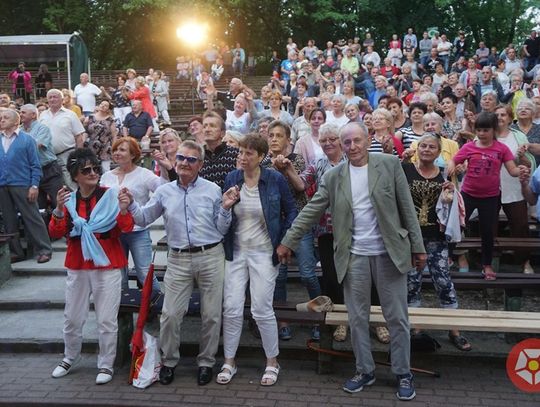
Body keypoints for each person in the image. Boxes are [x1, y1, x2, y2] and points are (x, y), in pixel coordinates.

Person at [277, 121, 426, 401]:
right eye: (347, 142)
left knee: (397, 318)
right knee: (357, 318)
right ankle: (364, 370)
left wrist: (418, 247)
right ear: (341, 146)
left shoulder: (389, 164)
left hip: (388, 254)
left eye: (357, 141)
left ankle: (403, 372)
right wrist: (289, 240)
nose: (352, 147)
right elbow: (311, 210)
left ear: (367, 139)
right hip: (354, 256)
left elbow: (407, 207)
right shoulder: (333, 176)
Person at [124, 140, 232, 386]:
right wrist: (130, 203)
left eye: (191, 159)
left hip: (210, 255)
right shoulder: (164, 191)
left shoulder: (213, 189)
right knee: (170, 314)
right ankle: (169, 361)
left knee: (212, 315)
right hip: (179, 258)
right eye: (181, 158)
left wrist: (226, 209)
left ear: (200, 165)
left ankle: (206, 362)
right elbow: (142, 218)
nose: (184, 163)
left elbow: (222, 228)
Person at [49, 148, 134, 384]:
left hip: (108, 264)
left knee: (107, 319)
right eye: (86, 170)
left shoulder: (110, 196)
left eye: (96, 168)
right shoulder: (68, 200)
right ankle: (69, 357)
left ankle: (106, 364)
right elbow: (55, 232)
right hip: (78, 264)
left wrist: (125, 209)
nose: (93, 173)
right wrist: (57, 209)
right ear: (75, 175)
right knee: (72, 317)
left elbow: (125, 228)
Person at [218, 134, 297, 386]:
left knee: (261, 309)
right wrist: (226, 206)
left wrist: (285, 242)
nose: (242, 157)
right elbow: (222, 219)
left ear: (261, 157)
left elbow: (291, 210)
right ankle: (229, 361)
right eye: (240, 152)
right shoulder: (232, 178)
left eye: (248, 153)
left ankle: (272, 361)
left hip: (265, 252)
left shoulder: (274, 179)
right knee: (231, 308)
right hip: (236, 251)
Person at [403, 134, 471, 351]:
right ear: (417, 147)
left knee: (443, 280)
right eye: (423, 145)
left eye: (432, 147)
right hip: (411, 237)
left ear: (439, 151)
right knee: (412, 282)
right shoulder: (405, 170)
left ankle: (454, 329)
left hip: (436, 237)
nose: (426, 149)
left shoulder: (443, 175)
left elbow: (450, 206)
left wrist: (451, 193)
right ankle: (416, 328)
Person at [447, 112, 529, 280]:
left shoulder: (501, 149)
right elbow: (454, 160)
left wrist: (520, 170)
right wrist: (451, 166)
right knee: (457, 225)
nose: (481, 134)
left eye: (485, 130)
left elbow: (512, 170)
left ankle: (487, 264)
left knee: (487, 232)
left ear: (494, 130)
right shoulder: (469, 146)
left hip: (490, 197)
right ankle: (447, 256)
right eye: (479, 130)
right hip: (468, 194)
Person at [263, 121, 321, 341]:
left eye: (279, 135)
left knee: (307, 273)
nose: (275, 139)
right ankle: (283, 320)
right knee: (279, 276)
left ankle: (318, 315)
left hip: (298, 223)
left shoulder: (296, 160)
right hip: (275, 226)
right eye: (271, 135)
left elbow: (300, 187)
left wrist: (285, 169)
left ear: (289, 140)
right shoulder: (263, 163)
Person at [101, 137, 163, 294]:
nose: (117, 153)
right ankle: (123, 316)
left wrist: (149, 210)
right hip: (114, 231)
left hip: (138, 230)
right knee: (119, 276)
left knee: (145, 274)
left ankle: (154, 309)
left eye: (122, 150)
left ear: (133, 154)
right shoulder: (107, 176)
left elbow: (164, 191)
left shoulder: (144, 174)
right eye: (115, 149)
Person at [0, 108, 52, 263]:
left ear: (16, 121)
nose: (2, 119)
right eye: (1, 117)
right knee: (9, 220)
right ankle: (16, 252)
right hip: (2, 186)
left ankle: (44, 249)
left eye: (6, 117)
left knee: (32, 217)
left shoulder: (27, 139)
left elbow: (35, 165)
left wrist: (34, 186)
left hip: (22, 184)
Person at [495, 104, 535, 274]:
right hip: (490, 189)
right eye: (496, 115)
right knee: (489, 227)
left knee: (521, 227)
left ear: (510, 118)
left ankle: (525, 262)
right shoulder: (485, 135)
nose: (499, 118)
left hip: (514, 188)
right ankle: (490, 262)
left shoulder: (518, 136)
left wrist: (522, 157)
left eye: (503, 114)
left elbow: (528, 164)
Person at [19, 104, 63, 211]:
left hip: (49, 171)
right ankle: (43, 227)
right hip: (32, 173)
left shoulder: (43, 128)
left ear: (33, 115)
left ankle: (65, 226)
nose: (20, 114)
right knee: (38, 206)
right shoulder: (19, 130)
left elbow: (36, 146)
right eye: (20, 112)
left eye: (23, 112)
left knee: (58, 202)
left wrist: (17, 147)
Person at [39, 89, 86, 190]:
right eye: (50, 97)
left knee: (71, 184)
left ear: (62, 99)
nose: (52, 99)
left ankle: (77, 204)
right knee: (54, 188)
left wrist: (79, 156)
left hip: (66, 154)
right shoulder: (42, 115)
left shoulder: (70, 114)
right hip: (48, 157)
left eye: (55, 97)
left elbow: (79, 136)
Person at [199, 111, 239, 189]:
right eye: (204, 126)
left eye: (212, 126)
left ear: (222, 133)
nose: (207, 129)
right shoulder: (198, 156)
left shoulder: (236, 154)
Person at [84, 100, 118, 172]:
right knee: (91, 168)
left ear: (108, 109)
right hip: (92, 146)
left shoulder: (111, 120)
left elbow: (114, 135)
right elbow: (85, 132)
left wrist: (113, 147)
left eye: (105, 105)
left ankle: (106, 182)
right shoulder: (89, 118)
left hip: (105, 146)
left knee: (105, 169)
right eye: (101, 104)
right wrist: (83, 141)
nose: (102, 106)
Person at [512, 98, 540, 165]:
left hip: (537, 170)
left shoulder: (538, 128)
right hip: (513, 169)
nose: (523, 110)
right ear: (516, 113)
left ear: (533, 113)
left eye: (527, 108)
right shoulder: (510, 130)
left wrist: (529, 146)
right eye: (520, 108)